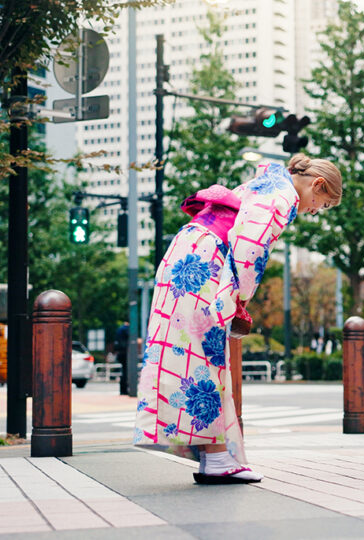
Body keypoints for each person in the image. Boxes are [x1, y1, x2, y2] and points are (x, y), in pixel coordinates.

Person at [133, 154, 342, 484]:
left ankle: (216, 455)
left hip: (189, 253)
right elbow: (250, 250)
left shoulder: (267, 185)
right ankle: (216, 457)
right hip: (206, 262)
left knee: (192, 358)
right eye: (322, 202)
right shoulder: (282, 196)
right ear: (316, 184)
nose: (315, 210)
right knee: (206, 358)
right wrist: (238, 300)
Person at [115, 321, 130, 395]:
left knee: (123, 371)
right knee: (125, 372)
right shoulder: (126, 329)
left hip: (120, 353)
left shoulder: (119, 329)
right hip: (125, 353)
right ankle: (124, 390)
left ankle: (122, 390)